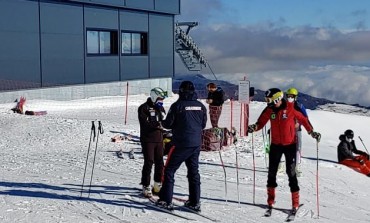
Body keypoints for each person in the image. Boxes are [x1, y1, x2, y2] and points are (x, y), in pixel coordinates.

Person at [248, 88, 321, 211]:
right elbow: (261, 123)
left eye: (269, 99)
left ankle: (295, 202)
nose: (267, 102)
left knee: (291, 173)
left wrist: (312, 132)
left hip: (290, 145)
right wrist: (254, 127)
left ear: (277, 98)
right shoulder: (269, 109)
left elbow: (303, 119)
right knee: (272, 173)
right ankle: (270, 201)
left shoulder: (291, 108)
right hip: (276, 145)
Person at [157, 81, 207, 211]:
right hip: (196, 144)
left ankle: (165, 200)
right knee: (193, 172)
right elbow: (203, 124)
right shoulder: (201, 106)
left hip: (181, 143)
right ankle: (194, 201)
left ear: (181, 91)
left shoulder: (177, 105)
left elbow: (168, 124)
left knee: (169, 170)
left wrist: (161, 122)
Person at [138, 87, 168, 197]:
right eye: (160, 99)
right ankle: (146, 185)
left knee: (160, 162)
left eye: (163, 99)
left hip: (159, 139)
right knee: (149, 162)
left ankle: (157, 184)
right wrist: (157, 124)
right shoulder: (144, 108)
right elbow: (144, 124)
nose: (162, 101)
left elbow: (164, 121)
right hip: (148, 139)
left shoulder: (161, 108)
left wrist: (166, 130)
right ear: (154, 97)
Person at [285, 87, 309, 176]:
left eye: (292, 96)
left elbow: (305, 118)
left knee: (298, 148)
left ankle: (297, 166)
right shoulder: (284, 106)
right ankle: (281, 166)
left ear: (295, 97)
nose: (290, 98)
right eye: (288, 96)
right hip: (286, 130)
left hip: (297, 130)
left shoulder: (300, 106)